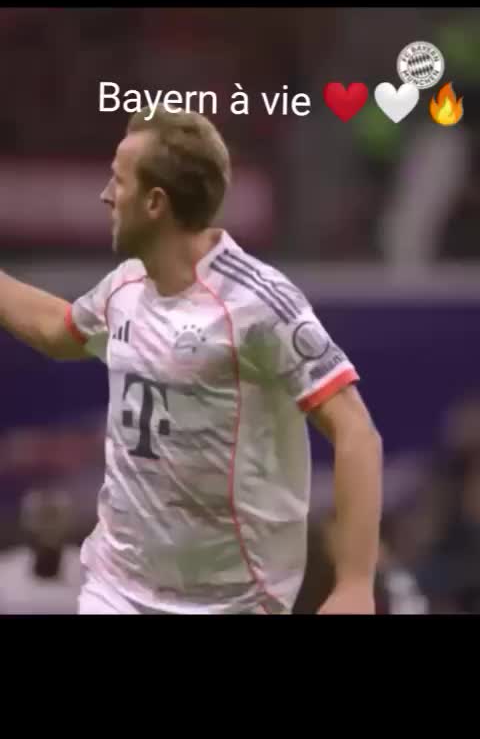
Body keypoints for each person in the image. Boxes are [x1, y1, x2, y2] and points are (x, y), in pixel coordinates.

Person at [0, 105, 382, 615]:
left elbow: (356, 431)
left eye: (118, 180)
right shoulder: (125, 286)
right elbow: (57, 330)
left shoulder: (260, 305)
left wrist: (354, 585)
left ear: (155, 202)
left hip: (235, 599)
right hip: (117, 587)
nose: (106, 195)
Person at [0, 488, 82, 614]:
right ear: (26, 522)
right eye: (40, 517)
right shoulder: (4, 572)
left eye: (53, 516)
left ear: (69, 522)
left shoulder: (94, 571)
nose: (47, 526)